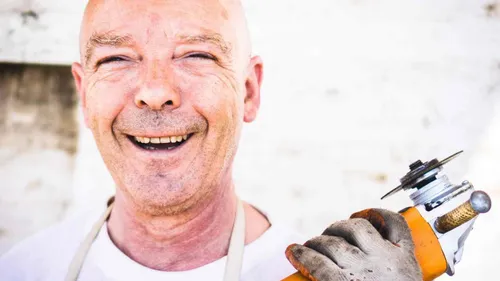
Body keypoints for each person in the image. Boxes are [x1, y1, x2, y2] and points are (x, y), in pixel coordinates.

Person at [0, 1, 422, 280]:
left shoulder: (314, 275)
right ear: (84, 93)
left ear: (248, 92)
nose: (155, 91)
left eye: (197, 55)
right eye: (116, 59)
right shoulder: (25, 269)